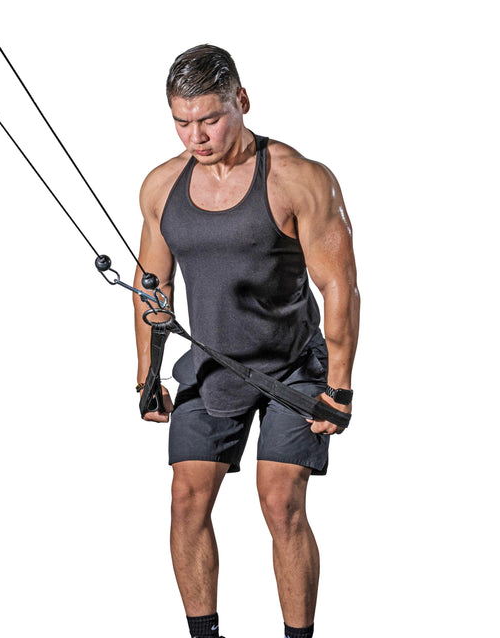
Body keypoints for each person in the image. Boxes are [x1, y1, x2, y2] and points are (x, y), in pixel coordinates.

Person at [133, 44, 359, 638]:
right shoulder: (162, 187)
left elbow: (340, 288)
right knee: (186, 498)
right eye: (182, 121)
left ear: (242, 101)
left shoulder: (296, 178)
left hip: (291, 368)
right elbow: (150, 287)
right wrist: (146, 375)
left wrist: (339, 386)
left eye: (210, 118)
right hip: (210, 366)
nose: (196, 135)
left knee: (280, 500)